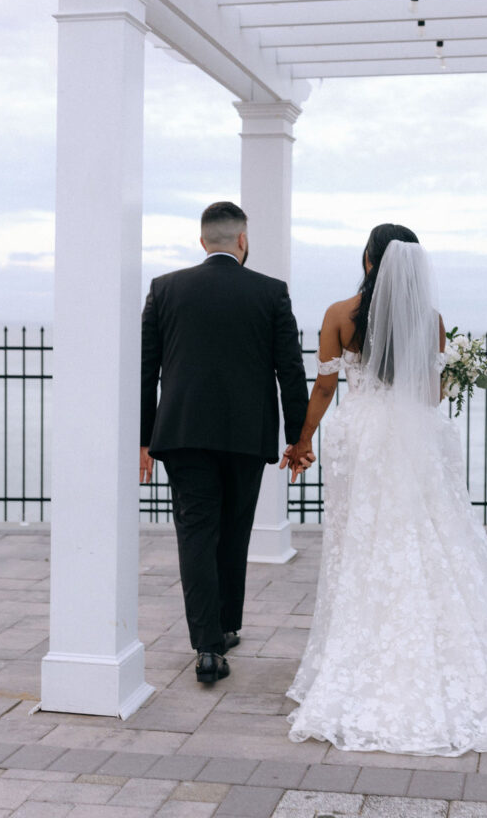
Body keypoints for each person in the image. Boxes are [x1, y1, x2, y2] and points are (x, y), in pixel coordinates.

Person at [282, 223, 487, 756]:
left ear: (368, 259)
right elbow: (428, 397)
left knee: (360, 546)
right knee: (429, 537)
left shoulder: (340, 315)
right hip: (413, 440)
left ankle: (358, 654)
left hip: (360, 438)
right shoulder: (430, 321)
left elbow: (324, 385)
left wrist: (301, 440)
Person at [140, 201, 309, 684]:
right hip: (245, 436)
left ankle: (210, 644)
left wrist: (143, 440)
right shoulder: (271, 293)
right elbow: (289, 372)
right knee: (234, 531)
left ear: (202, 241)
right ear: (242, 240)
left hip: (183, 434)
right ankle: (224, 628)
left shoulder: (165, 289)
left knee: (196, 533)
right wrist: (299, 439)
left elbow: (146, 370)